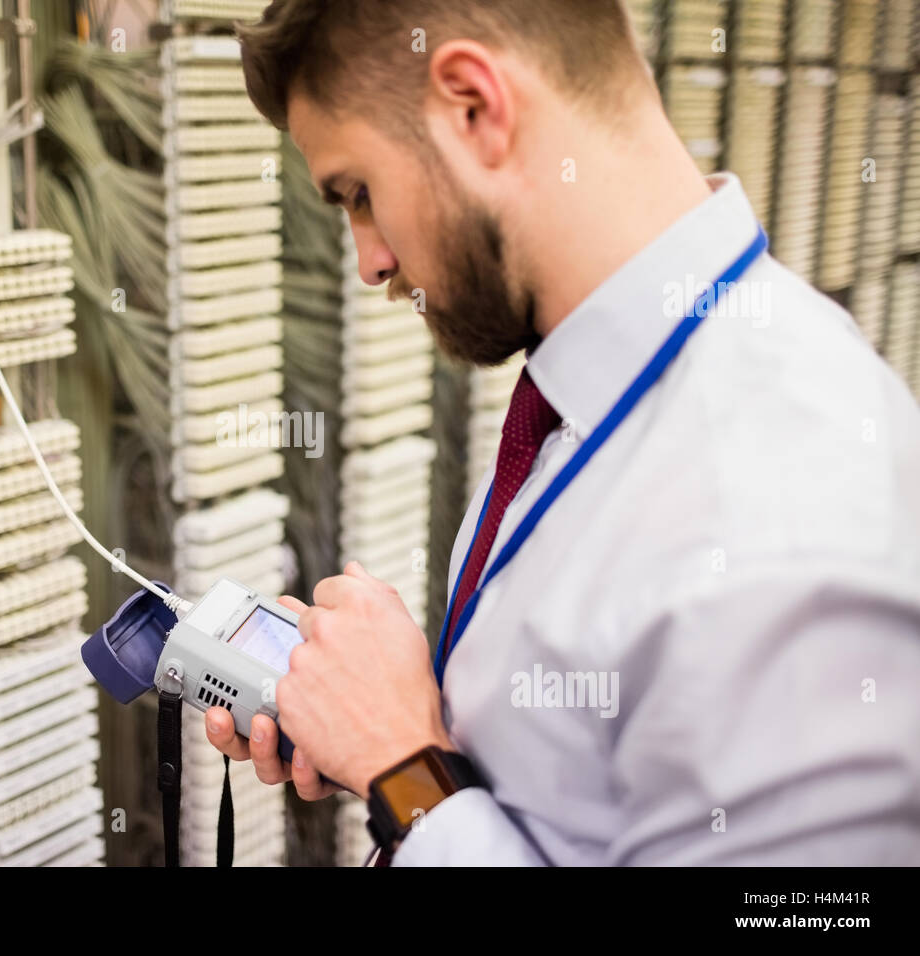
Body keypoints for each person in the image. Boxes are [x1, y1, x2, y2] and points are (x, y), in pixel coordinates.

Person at [202, 0, 920, 866]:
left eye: (359, 193)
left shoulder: (789, 506)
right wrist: (383, 718)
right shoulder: (591, 393)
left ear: (474, 106)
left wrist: (408, 772)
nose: (370, 263)